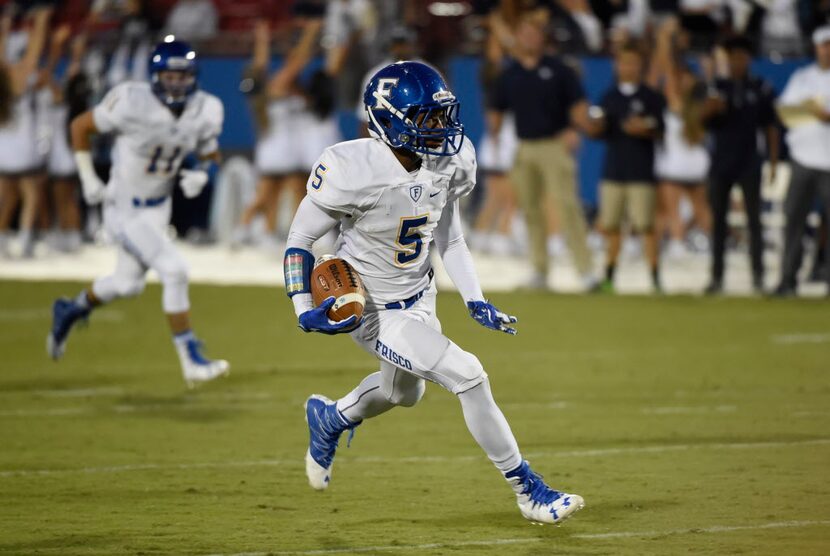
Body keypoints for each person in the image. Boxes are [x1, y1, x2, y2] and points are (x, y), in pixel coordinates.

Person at [282, 61, 585, 525]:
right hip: (372, 307)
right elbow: (299, 240)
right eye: (427, 118)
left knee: (403, 393)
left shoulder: (449, 159)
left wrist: (474, 298)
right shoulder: (351, 167)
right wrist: (304, 307)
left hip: (421, 295)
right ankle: (529, 490)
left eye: (442, 115)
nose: (441, 128)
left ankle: (333, 416)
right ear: (388, 120)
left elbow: (450, 237)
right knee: (469, 375)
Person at [46, 38, 229, 387]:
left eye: (183, 76)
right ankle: (190, 358)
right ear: (156, 76)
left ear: (193, 77)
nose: (177, 84)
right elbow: (80, 126)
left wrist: (201, 174)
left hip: (159, 209)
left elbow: (209, 150)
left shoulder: (207, 108)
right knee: (174, 271)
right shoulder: (131, 100)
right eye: (170, 77)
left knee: (127, 285)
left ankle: (71, 308)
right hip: (123, 207)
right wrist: (87, 177)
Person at [489, 13, 597, 291]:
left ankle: (585, 272)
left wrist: (575, 129)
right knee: (530, 210)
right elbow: (496, 110)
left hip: (554, 145)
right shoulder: (509, 73)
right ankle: (539, 271)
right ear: (519, 38)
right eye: (524, 33)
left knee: (567, 206)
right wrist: (495, 130)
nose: (529, 38)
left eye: (534, 33)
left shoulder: (559, 69)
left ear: (542, 37)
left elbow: (579, 104)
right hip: (523, 147)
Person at [585, 42, 665, 293]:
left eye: (632, 62)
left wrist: (645, 129)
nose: (628, 67)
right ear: (617, 66)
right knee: (611, 227)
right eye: (624, 62)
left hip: (641, 172)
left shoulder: (651, 97)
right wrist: (595, 128)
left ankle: (655, 279)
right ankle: (609, 277)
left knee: (646, 226)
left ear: (640, 66)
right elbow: (599, 131)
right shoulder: (609, 97)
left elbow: (660, 130)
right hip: (614, 171)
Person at [702, 35, 779, 295]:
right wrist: (711, 109)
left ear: (748, 59)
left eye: (741, 57)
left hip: (749, 162)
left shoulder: (760, 87)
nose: (737, 62)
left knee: (754, 222)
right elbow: (699, 122)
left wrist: (774, 161)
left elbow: (771, 126)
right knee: (719, 223)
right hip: (721, 162)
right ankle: (716, 278)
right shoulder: (717, 87)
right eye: (732, 57)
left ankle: (758, 277)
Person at [773, 25, 830, 297]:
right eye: (823, 44)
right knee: (794, 220)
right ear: (816, 47)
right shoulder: (802, 77)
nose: (827, 49)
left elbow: (805, 112)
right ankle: (787, 279)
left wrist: (820, 114)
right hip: (802, 158)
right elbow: (786, 113)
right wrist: (812, 112)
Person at [651, 18, 712, 259]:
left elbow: (667, 72)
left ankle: (678, 244)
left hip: (676, 162)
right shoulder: (700, 105)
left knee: (672, 207)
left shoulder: (680, 103)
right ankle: (706, 241)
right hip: (697, 162)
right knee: (700, 207)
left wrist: (664, 40)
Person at [0, 7, 50, 258]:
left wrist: (5, 28)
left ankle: (1, 240)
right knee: (30, 192)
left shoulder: (4, 75)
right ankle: (25, 239)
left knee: (5, 194)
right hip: (21, 145)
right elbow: (34, 53)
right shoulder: (18, 76)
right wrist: (40, 23)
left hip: (4, 146)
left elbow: (2, 56)